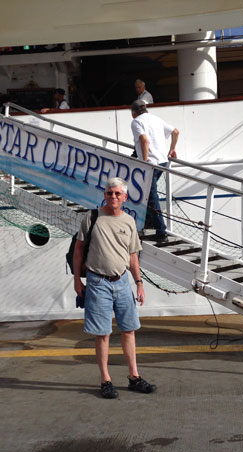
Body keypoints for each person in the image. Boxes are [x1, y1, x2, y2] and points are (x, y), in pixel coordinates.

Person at [73, 177, 157, 399]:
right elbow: (79, 250)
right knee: (102, 334)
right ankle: (105, 380)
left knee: (129, 330)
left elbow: (132, 256)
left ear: (125, 197)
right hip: (97, 282)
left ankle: (134, 377)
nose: (113, 197)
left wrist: (139, 283)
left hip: (121, 282)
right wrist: (76, 280)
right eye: (110, 193)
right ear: (105, 195)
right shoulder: (92, 218)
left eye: (118, 193)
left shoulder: (129, 222)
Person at [130, 99, 179, 241]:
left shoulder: (136, 122)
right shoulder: (156, 119)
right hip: (162, 161)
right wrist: (172, 149)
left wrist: (145, 161)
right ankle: (145, 223)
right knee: (146, 193)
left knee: (151, 196)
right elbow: (175, 132)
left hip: (150, 163)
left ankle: (161, 232)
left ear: (133, 113)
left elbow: (144, 140)